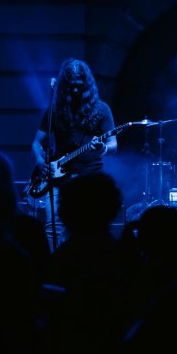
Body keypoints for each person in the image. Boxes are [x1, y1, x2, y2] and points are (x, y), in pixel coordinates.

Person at [31, 58, 118, 249]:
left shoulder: (102, 109)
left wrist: (103, 148)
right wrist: (39, 160)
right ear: (64, 84)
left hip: (90, 178)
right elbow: (37, 142)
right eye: (72, 85)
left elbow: (113, 143)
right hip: (58, 178)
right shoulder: (55, 110)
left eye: (79, 85)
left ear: (87, 84)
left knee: (91, 228)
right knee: (53, 227)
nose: (76, 90)